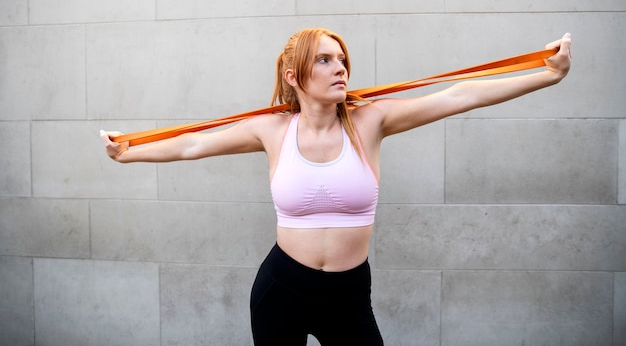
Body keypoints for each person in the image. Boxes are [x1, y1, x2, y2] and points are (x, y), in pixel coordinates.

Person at [101, 28, 572, 345]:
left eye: (342, 59)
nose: (339, 67)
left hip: (348, 295)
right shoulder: (272, 131)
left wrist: (546, 75)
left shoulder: (372, 121)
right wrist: (129, 151)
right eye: (324, 60)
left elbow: (457, 95)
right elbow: (190, 146)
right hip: (280, 288)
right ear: (294, 76)